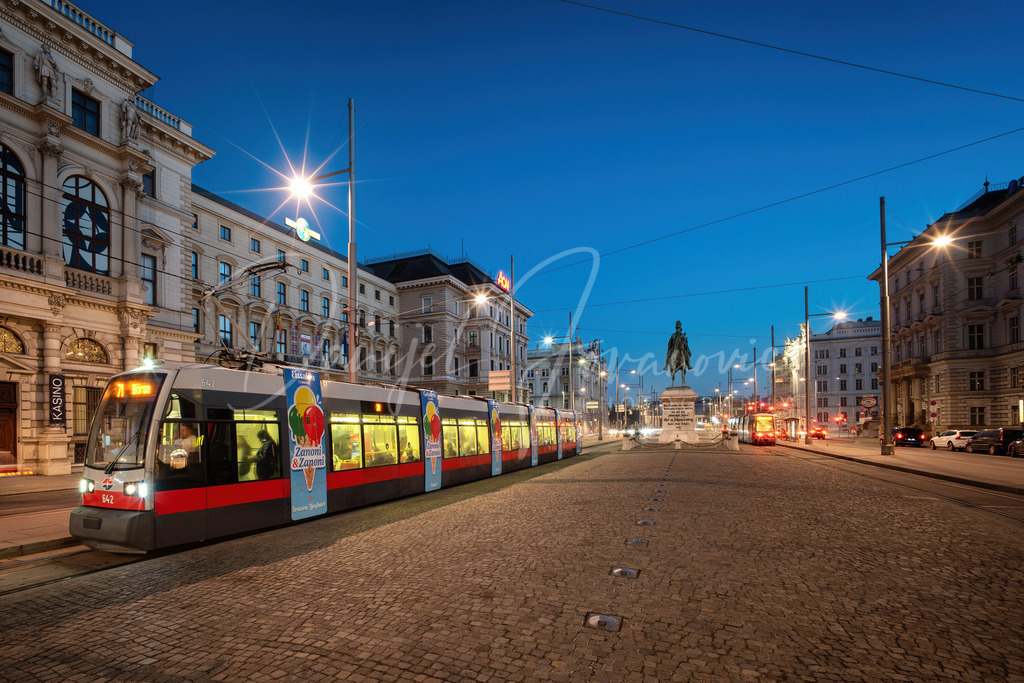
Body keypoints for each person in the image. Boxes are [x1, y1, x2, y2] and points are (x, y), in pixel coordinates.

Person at [664, 320, 691, 387]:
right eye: (677, 328)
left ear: (680, 329)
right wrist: (670, 349)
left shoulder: (682, 335)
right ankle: (666, 366)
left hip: (681, 349)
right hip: (674, 349)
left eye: (679, 328)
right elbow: (670, 343)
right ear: (675, 328)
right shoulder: (673, 335)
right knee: (668, 355)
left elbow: (685, 343)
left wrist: (683, 344)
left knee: (686, 354)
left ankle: (688, 365)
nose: (678, 329)